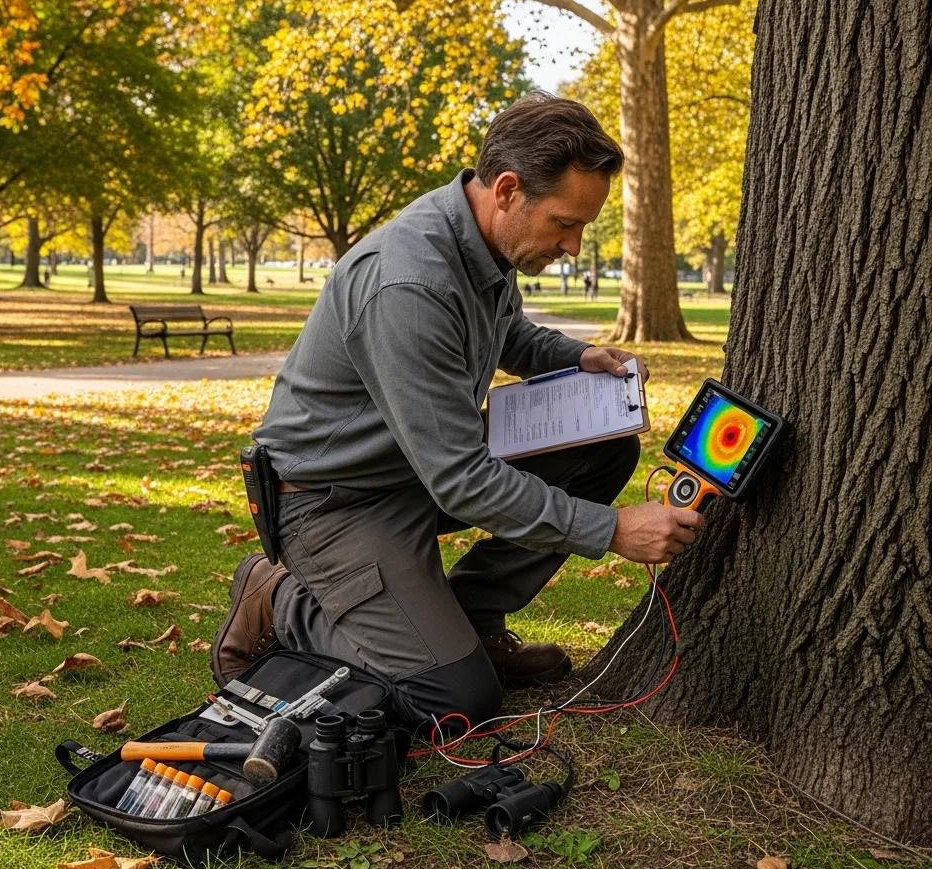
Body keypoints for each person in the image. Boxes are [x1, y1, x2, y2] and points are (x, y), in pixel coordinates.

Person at [213, 93, 703, 729]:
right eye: (564, 223)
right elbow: (462, 480)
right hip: (335, 502)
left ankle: (470, 620)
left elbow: (506, 334)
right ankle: (278, 600)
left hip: (412, 468)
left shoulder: (483, 243)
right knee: (453, 700)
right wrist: (611, 530)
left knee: (602, 448)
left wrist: (579, 358)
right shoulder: (409, 282)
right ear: (507, 189)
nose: (574, 246)